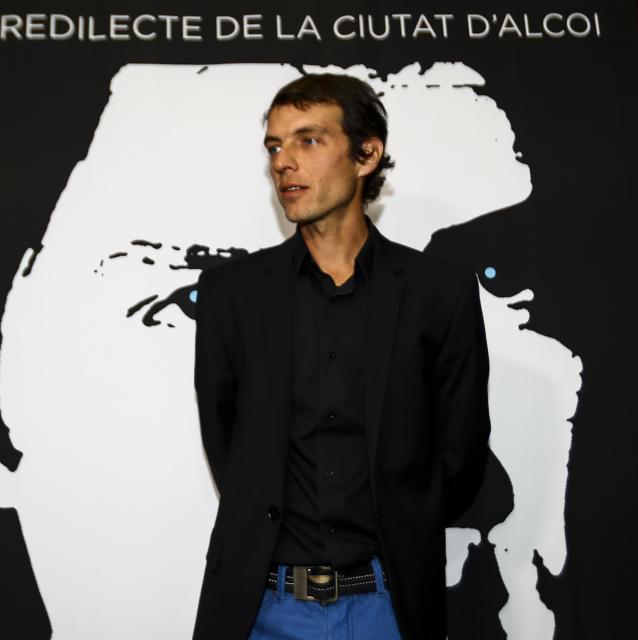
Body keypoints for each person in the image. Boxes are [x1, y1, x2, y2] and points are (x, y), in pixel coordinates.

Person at [192, 73, 490, 640]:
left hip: (389, 607)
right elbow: (226, 441)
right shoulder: (234, 293)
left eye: (308, 140)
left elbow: (461, 453)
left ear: (366, 154)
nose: (284, 162)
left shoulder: (437, 292)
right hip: (263, 609)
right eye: (275, 146)